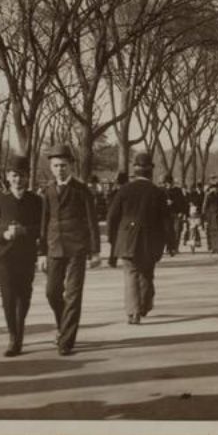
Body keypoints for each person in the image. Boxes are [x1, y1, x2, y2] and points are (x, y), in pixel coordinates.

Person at [38, 144, 101, 356]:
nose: (59, 170)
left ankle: (66, 342)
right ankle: (63, 325)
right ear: (51, 167)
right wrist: (41, 253)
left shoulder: (82, 190)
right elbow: (44, 222)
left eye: (63, 166)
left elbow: (92, 222)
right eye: (55, 166)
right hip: (54, 247)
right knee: (52, 292)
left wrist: (95, 251)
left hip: (77, 248)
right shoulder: (47, 191)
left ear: (71, 165)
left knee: (73, 295)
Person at [0, 156, 41, 355]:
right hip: (4, 255)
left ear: (27, 177)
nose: (17, 180)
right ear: (8, 177)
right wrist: (2, 234)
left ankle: (19, 332)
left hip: (26, 255)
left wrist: (26, 231)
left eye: (21, 176)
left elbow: (43, 228)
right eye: (14, 176)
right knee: (8, 298)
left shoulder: (36, 200)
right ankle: (13, 337)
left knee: (24, 296)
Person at [106, 153, 169, 324]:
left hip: (127, 239)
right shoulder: (158, 192)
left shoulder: (124, 190)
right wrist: (169, 243)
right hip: (151, 240)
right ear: (151, 172)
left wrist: (112, 240)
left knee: (130, 274)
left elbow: (112, 217)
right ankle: (144, 305)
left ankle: (133, 312)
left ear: (135, 170)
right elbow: (166, 220)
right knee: (147, 273)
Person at [162, 174, 188, 256]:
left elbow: (183, 202)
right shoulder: (162, 191)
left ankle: (174, 247)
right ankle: (169, 248)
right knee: (168, 231)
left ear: (172, 183)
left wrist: (182, 212)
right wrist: (165, 203)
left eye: (169, 183)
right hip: (166, 214)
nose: (168, 185)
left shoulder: (178, 191)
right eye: (166, 183)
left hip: (177, 213)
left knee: (177, 231)